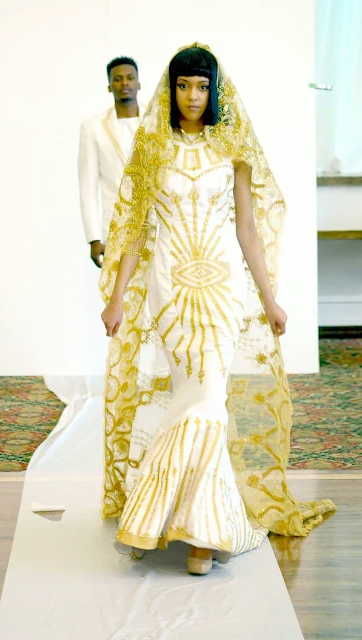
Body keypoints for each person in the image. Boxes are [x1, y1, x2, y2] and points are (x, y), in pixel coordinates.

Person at [100, 44, 335, 576]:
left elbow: (247, 231)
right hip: (169, 286)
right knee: (191, 395)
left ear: (215, 91)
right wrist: (116, 297)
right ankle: (171, 517)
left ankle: (197, 533)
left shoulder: (234, 147)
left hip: (221, 287)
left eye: (202, 87)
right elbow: (135, 230)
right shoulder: (152, 146)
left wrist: (270, 299)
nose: (192, 96)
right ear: (171, 90)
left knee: (208, 397)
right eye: (183, 86)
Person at [78, 56, 146, 268]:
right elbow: (88, 186)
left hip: (157, 224)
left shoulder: (156, 122)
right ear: (109, 86)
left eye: (130, 78)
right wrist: (94, 237)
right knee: (119, 287)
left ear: (138, 83)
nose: (124, 83)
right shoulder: (93, 127)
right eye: (117, 79)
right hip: (116, 227)